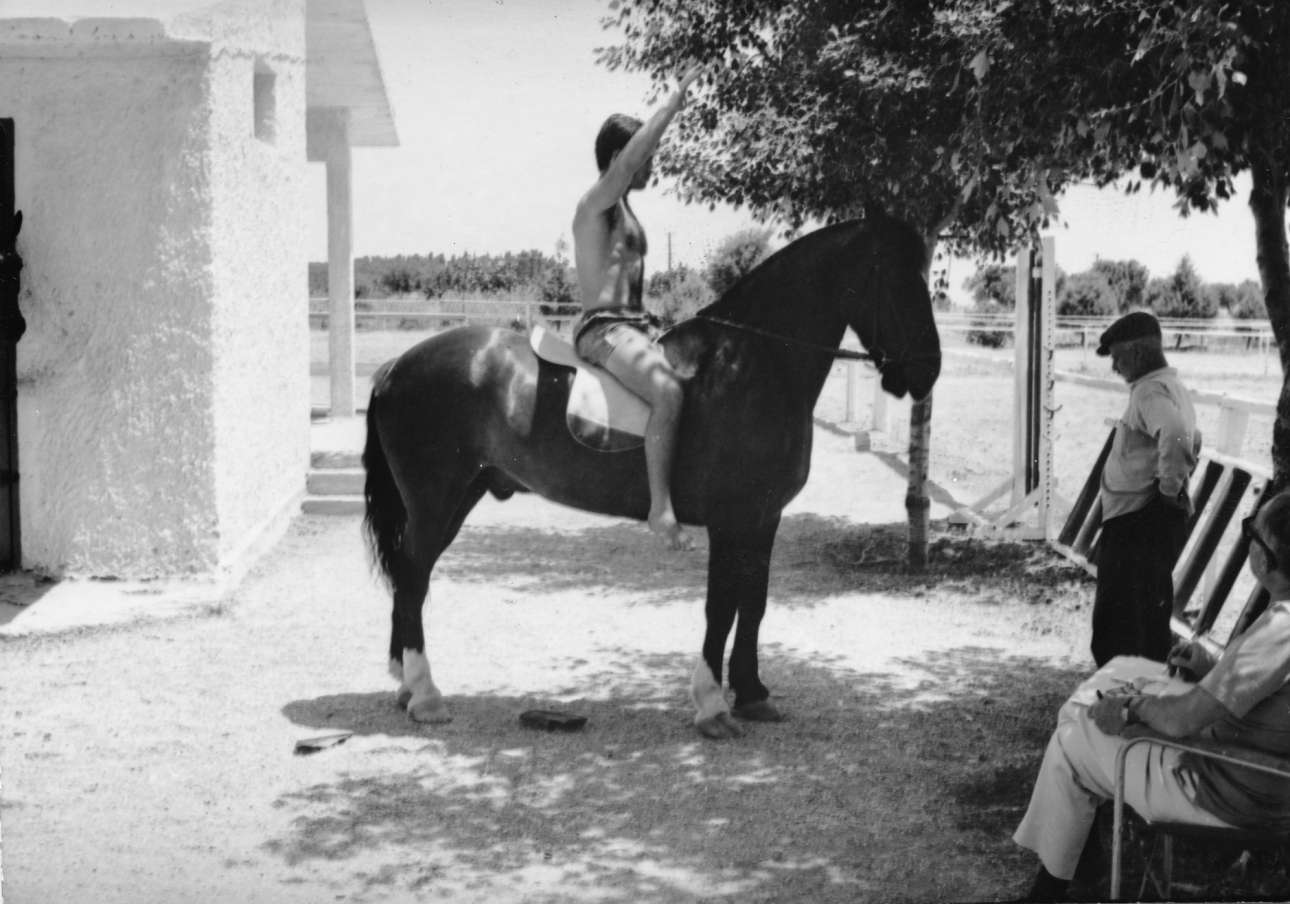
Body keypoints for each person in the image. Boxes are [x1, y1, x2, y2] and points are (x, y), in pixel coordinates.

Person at [1012, 489, 1290, 902]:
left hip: (1220, 787)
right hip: (1254, 778)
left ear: (1266, 559)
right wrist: (1212, 667)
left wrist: (1128, 710)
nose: (1248, 537)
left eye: (1252, 529)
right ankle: (1074, 859)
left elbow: (1181, 721)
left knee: (1072, 736)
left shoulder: (1279, 628)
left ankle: (1052, 885)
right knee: (1120, 675)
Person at [571, 64, 704, 551]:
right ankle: (660, 510)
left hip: (633, 329)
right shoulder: (598, 202)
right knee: (667, 392)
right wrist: (673, 102)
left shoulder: (624, 208)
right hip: (604, 332)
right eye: (646, 156)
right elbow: (627, 165)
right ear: (620, 156)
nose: (653, 166)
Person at [1090, 310, 1201, 666]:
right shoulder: (1169, 386)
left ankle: (1120, 695)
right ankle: (1144, 691)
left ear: (1138, 353)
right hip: (1144, 518)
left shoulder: (1149, 391)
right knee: (1146, 616)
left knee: (1117, 622)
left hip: (1137, 521)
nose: (1115, 368)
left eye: (1118, 358)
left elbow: (1176, 433)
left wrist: (1169, 490)